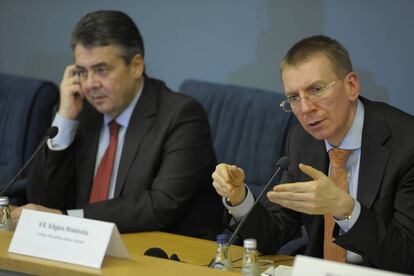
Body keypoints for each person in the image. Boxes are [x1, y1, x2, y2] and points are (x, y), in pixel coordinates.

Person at [11, 10, 222, 240]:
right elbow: (43, 202)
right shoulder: (81, 112)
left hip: (153, 253)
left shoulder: (181, 116)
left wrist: (68, 220)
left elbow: (159, 206)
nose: (90, 84)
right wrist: (65, 118)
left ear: (136, 66)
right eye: (82, 71)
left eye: (101, 70)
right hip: (80, 252)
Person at [212, 35, 414, 273]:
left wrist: (346, 209)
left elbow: (407, 255)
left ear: (351, 86)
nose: (306, 109)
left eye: (316, 89)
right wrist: (239, 199)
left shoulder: (406, 145)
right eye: (294, 98)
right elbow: (274, 235)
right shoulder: (303, 140)